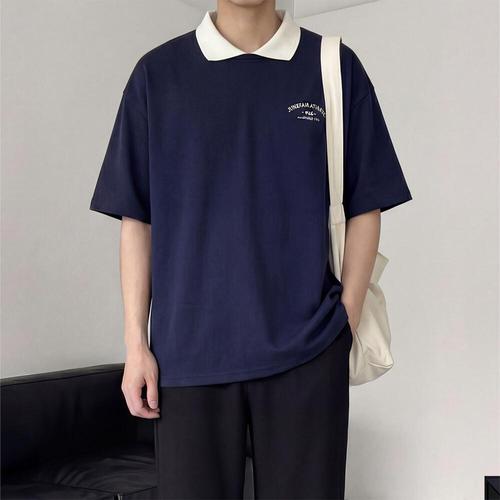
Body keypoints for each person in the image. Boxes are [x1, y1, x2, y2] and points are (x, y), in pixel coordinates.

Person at [89, 1, 412, 498]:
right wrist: (136, 345)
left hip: (307, 353)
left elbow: (366, 203)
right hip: (186, 358)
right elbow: (138, 219)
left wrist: (344, 320)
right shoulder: (157, 75)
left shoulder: (332, 67)